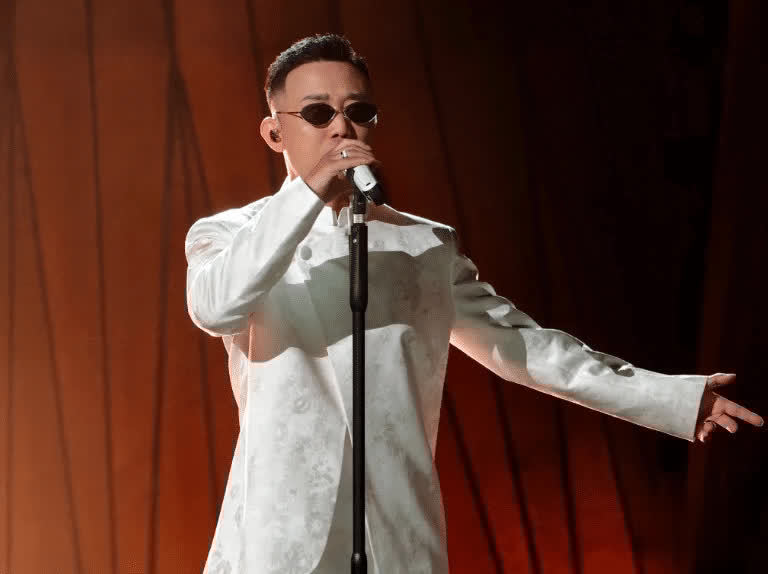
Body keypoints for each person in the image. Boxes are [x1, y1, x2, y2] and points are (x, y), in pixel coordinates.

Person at [184, 33, 764, 574]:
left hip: (394, 532)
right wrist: (309, 192)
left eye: (358, 111)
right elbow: (216, 308)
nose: (341, 128)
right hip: (277, 536)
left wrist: (671, 398)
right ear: (274, 133)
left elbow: (523, 348)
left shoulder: (422, 245)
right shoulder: (231, 235)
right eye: (318, 113)